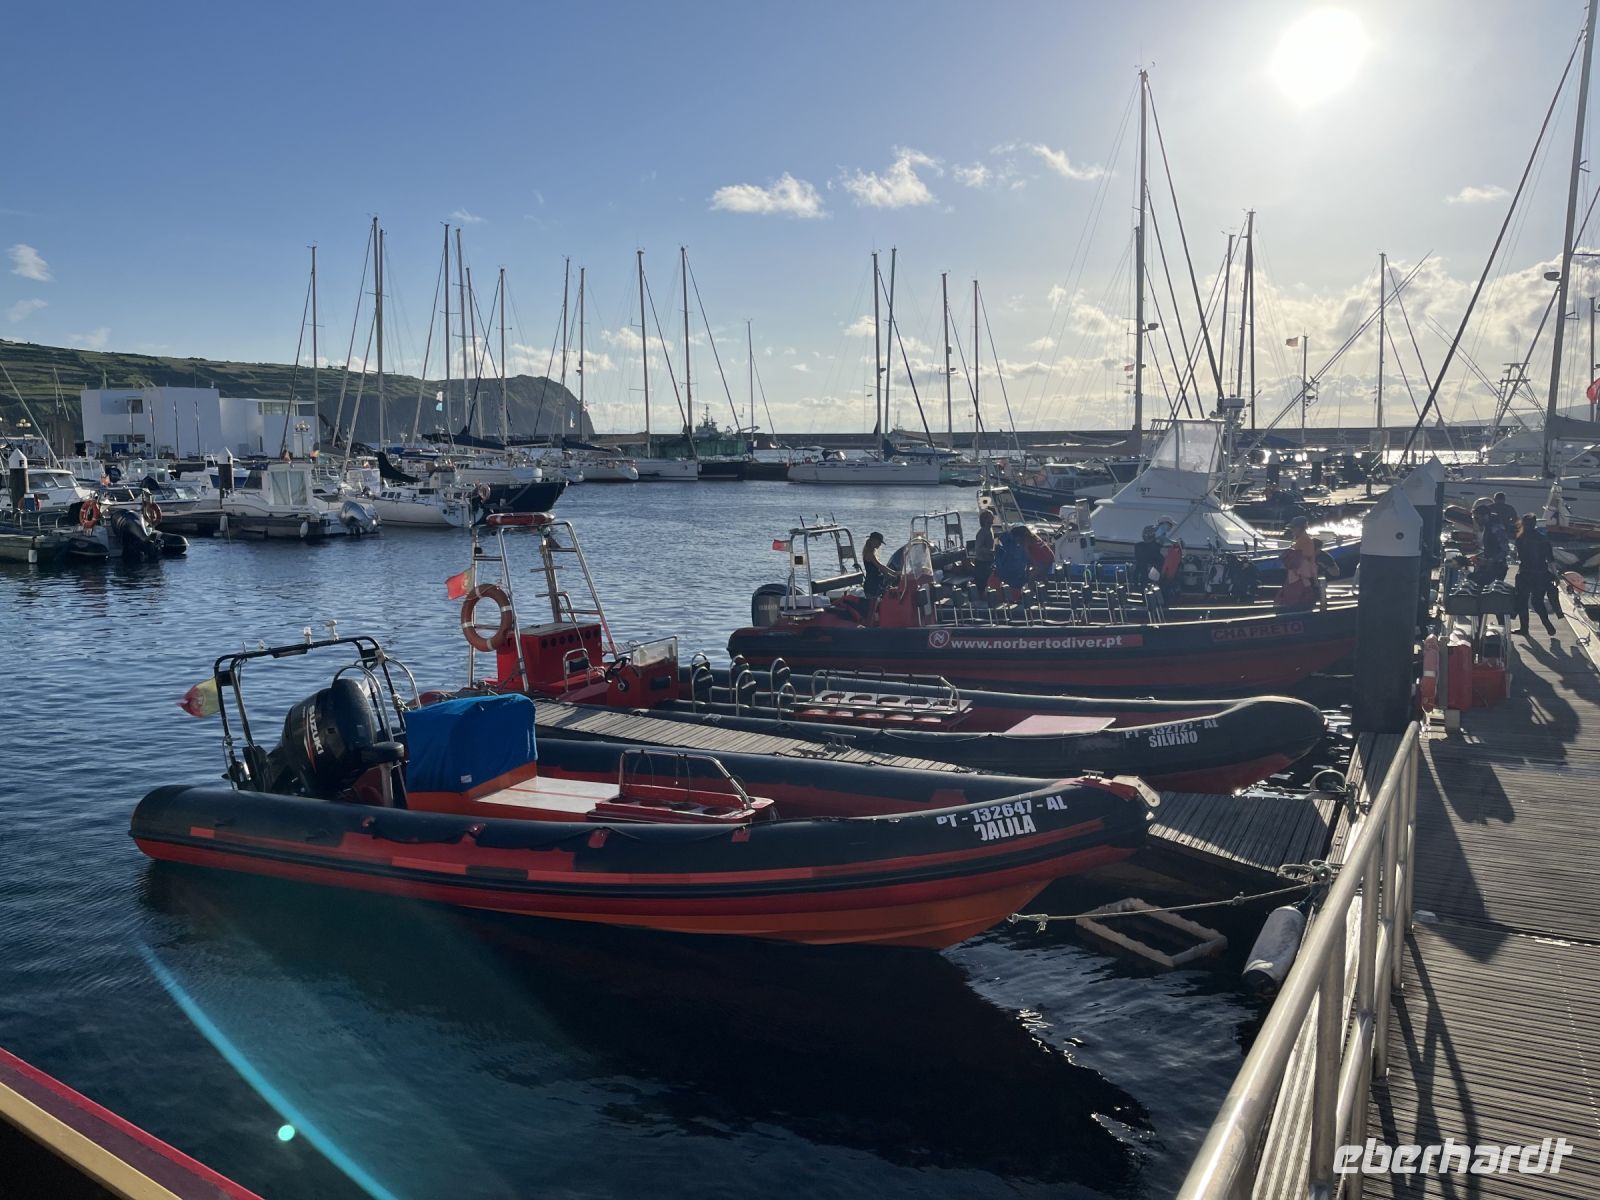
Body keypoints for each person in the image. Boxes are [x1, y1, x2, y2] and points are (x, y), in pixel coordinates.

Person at [1513, 513, 1557, 636]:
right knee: (1537, 601)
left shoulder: (1520, 538)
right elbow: (1551, 559)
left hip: (1525, 573)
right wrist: (1556, 575)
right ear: (1535, 523)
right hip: (1541, 574)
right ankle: (1547, 623)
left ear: (1523, 523)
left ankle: (1524, 628)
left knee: (1522, 601)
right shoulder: (1543, 539)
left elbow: (1519, 556)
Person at [1275, 516, 1320, 612]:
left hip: (1300, 580)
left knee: (1294, 604)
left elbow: (1304, 563)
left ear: (1299, 528)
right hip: (1298, 579)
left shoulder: (1305, 541)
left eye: (1293, 528)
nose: (1291, 530)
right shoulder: (1301, 540)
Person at [1470, 503, 1510, 586]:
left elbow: (1505, 549)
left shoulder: (1496, 528)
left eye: (1477, 518)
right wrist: (1478, 556)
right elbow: (1489, 548)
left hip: (1497, 567)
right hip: (1490, 566)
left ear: (1485, 516)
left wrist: (1490, 561)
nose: (1476, 521)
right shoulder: (1487, 527)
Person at [862, 531, 899, 609]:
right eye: (879, 542)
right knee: (872, 608)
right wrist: (894, 573)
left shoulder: (871, 552)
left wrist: (893, 574)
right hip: (871, 585)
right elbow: (880, 566)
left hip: (875, 584)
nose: (880, 544)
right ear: (873, 540)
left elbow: (881, 568)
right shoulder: (870, 554)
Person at [971, 509, 997, 591]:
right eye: (991, 517)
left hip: (989, 562)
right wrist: (991, 551)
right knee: (982, 584)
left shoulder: (990, 529)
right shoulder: (983, 532)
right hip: (982, 563)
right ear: (986, 519)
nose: (993, 518)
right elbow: (978, 548)